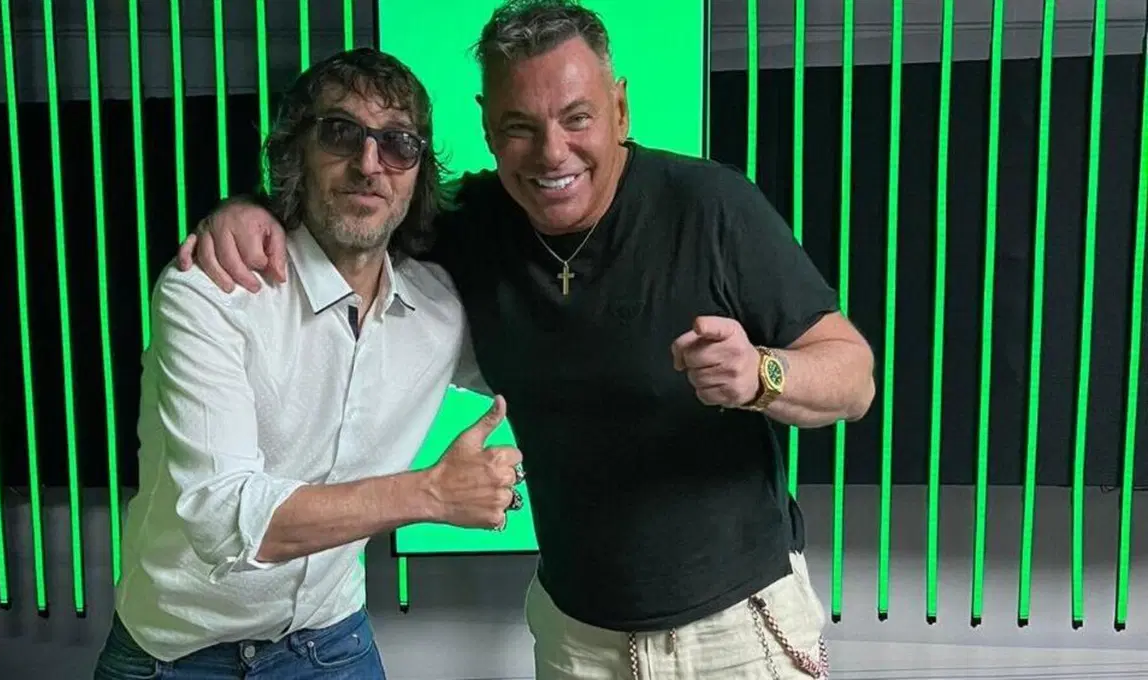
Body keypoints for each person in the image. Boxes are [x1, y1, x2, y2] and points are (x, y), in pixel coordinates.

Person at [177, 1, 875, 678]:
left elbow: (853, 376)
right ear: (486, 125)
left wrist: (763, 374)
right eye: (520, 127)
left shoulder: (711, 205)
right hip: (576, 636)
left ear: (620, 107)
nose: (552, 153)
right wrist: (246, 211)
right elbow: (357, 205)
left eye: (577, 118)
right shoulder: (469, 223)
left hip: (734, 631)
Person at [95, 48, 526, 680]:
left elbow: (554, 375)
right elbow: (222, 517)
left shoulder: (439, 312)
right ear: (295, 151)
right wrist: (431, 492)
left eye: (398, 143)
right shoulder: (212, 291)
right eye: (342, 133)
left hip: (330, 642)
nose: (370, 163)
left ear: (417, 173)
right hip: (175, 658)